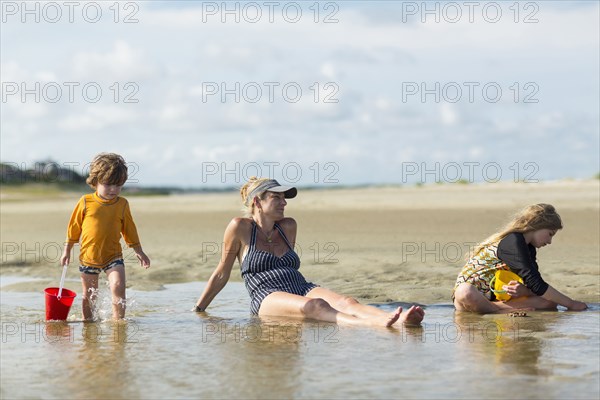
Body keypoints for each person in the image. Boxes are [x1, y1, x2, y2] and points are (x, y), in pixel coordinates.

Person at [194, 177, 424, 327]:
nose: (284, 202)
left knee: (346, 301)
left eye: (285, 198)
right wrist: (199, 309)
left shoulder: (288, 226)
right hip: (266, 296)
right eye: (277, 197)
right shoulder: (240, 227)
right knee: (317, 307)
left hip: (300, 286)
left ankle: (399, 318)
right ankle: (379, 324)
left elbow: (285, 267)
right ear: (257, 201)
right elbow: (222, 273)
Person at [60, 153, 150, 320]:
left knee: (118, 285)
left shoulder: (122, 204)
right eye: (108, 184)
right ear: (95, 181)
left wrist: (139, 251)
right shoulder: (85, 202)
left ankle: (118, 322)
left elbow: (129, 229)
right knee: (89, 295)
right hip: (89, 257)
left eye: (118, 185)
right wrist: (67, 250)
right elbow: (74, 228)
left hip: (113, 256)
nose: (113, 190)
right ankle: (88, 324)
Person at [453, 203, 587, 313]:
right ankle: (499, 311)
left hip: (495, 298)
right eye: (550, 234)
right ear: (537, 225)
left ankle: (495, 308)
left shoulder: (529, 248)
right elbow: (536, 284)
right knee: (465, 290)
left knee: (550, 302)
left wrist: (523, 290)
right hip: (468, 300)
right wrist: (571, 304)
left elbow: (533, 284)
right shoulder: (513, 241)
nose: (550, 241)